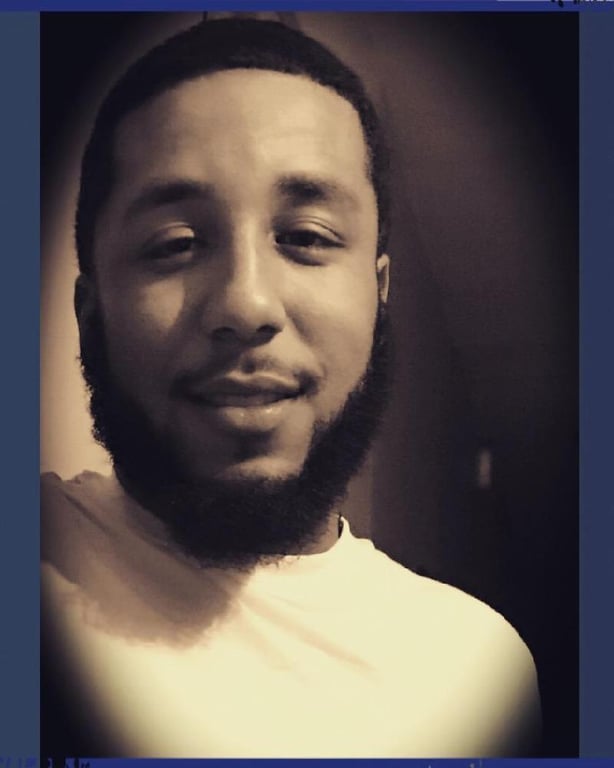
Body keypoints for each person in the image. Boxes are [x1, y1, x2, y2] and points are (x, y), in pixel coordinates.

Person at [41, 16, 541, 758]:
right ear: (91, 315)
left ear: (378, 294)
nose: (246, 304)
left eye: (305, 238)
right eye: (175, 244)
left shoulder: (481, 668)